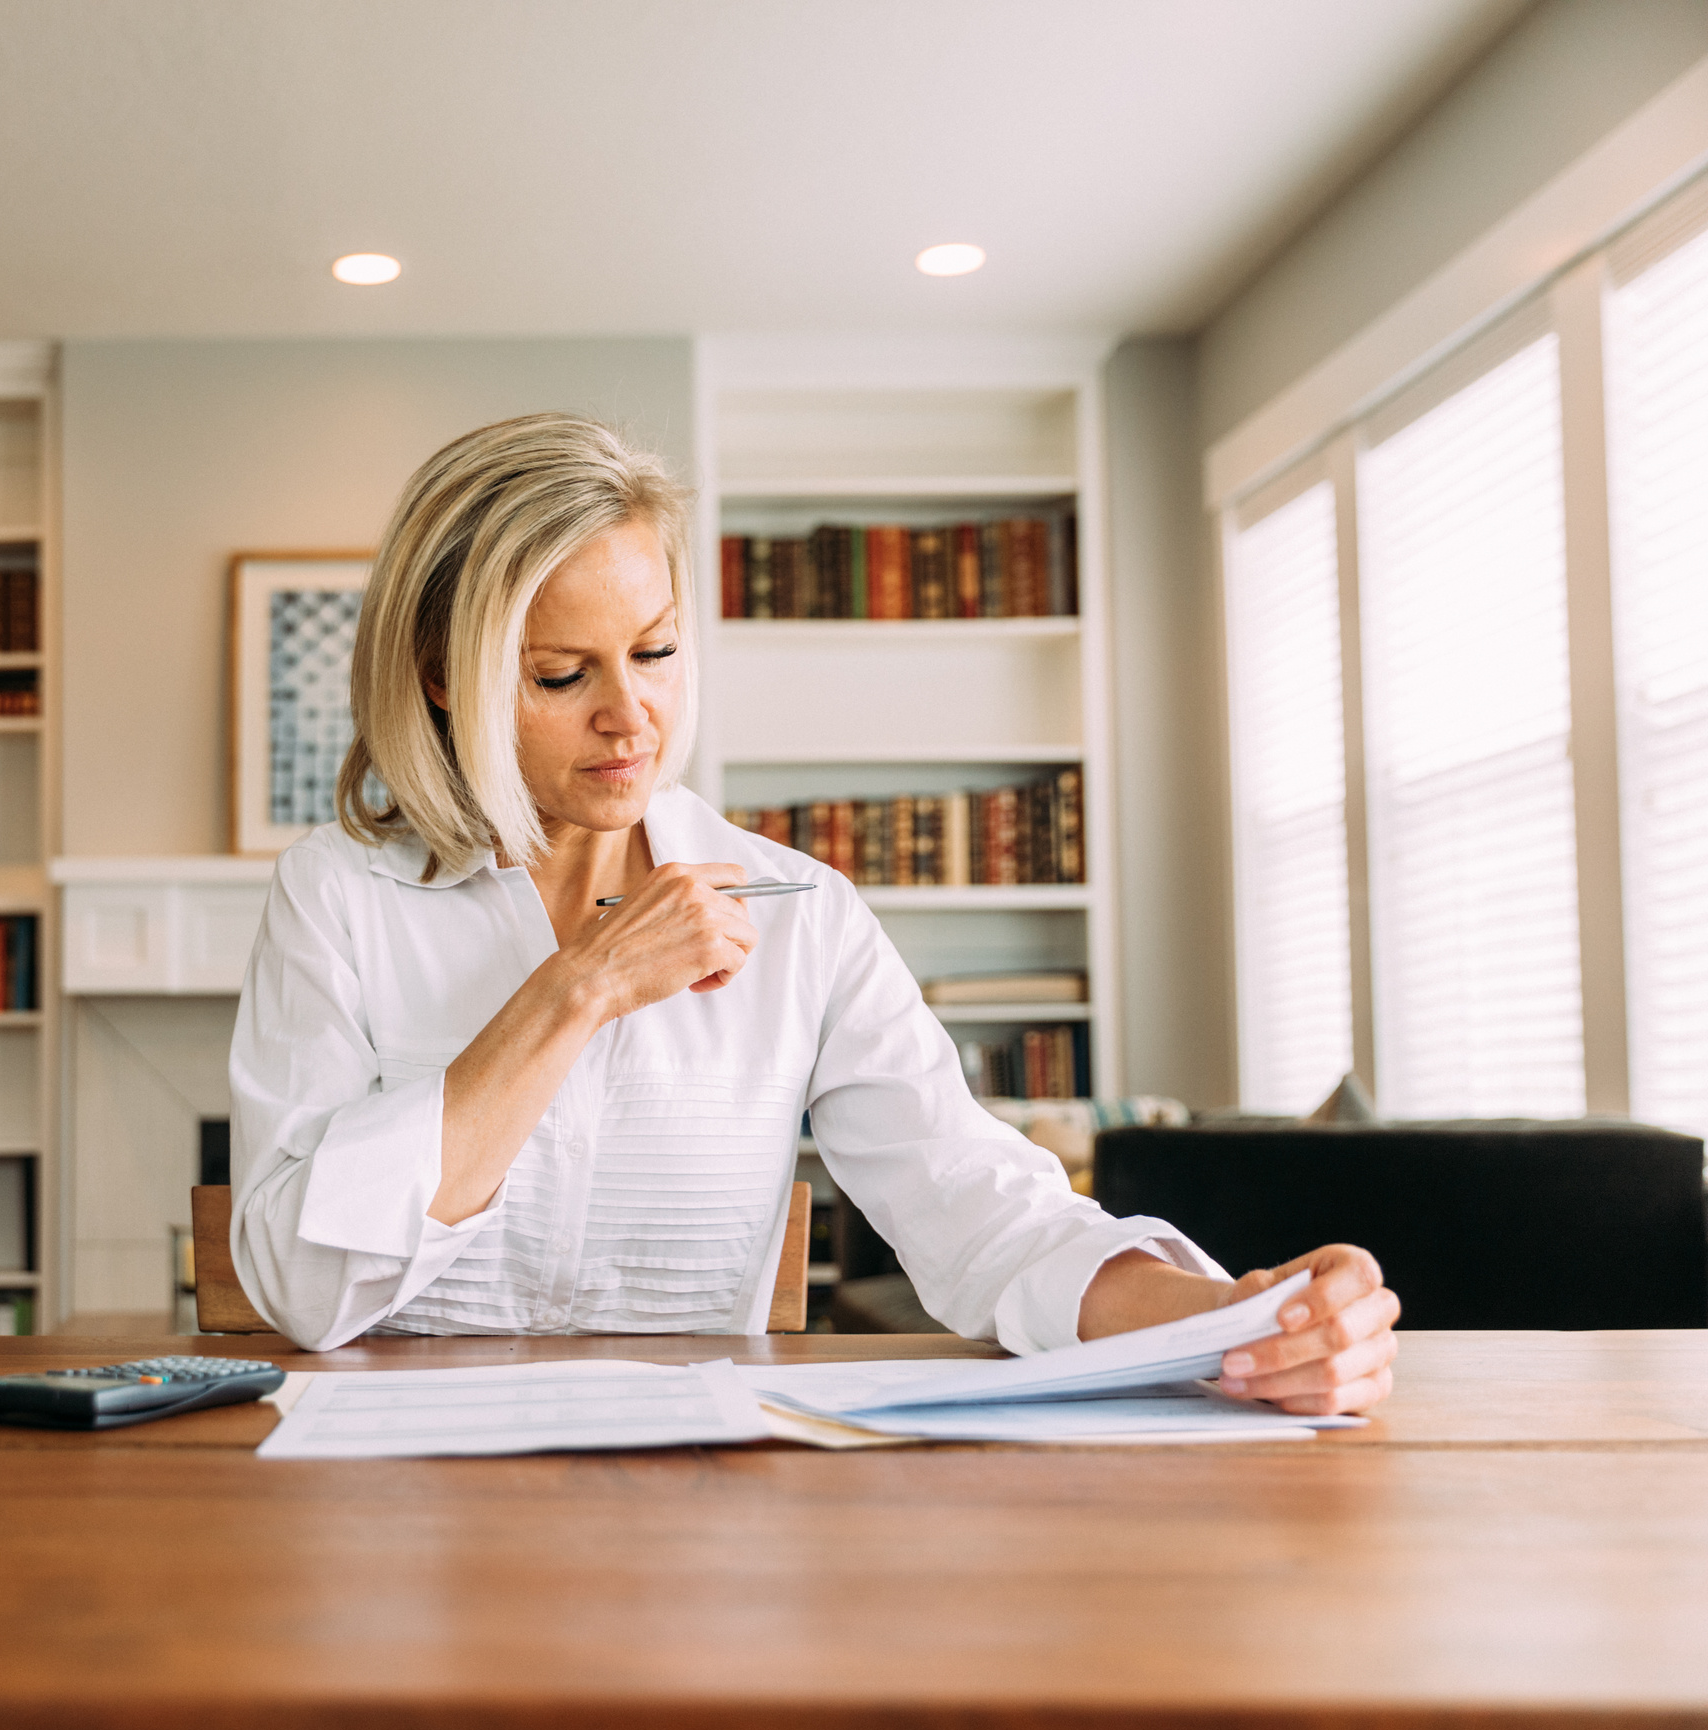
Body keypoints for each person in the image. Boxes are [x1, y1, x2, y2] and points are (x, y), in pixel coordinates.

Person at [228, 414, 1400, 1414]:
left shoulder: (805, 914)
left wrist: (1224, 1322)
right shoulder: (339, 896)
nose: (631, 716)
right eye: (559, 675)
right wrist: (575, 992)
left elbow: (978, 1209)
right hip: (394, 1508)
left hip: (692, 1511)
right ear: (442, 670)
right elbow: (299, 1284)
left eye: (657, 649)